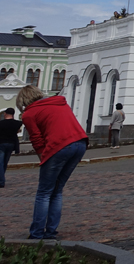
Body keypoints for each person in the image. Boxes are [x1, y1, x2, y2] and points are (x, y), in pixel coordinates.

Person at [18, 84, 89, 240]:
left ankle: (37, 233)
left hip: (59, 146)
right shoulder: (60, 103)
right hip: (80, 143)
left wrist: (43, 159)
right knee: (57, 190)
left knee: (44, 192)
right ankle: (50, 231)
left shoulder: (29, 113)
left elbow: (36, 140)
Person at [0, 107, 23, 187]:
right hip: (11, 144)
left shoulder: (1, 123)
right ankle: (1, 178)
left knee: (0, 163)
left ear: (5, 114)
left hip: (1, 143)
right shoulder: (17, 123)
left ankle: (1, 181)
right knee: (5, 162)